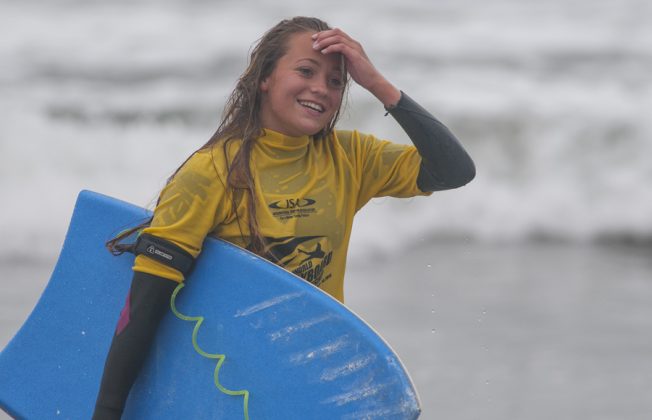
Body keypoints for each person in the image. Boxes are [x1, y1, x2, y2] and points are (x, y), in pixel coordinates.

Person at [92, 16, 475, 419]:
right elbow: (145, 306)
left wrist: (378, 84)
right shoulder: (211, 173)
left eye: (335, 81)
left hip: (311, 383)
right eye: (306, 71)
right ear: (265, 78)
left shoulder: (350, 158)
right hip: (226, 384)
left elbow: (454, 170)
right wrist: (107, 411)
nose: (321, 89)